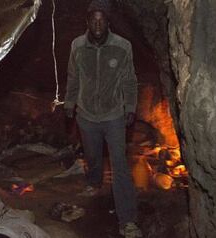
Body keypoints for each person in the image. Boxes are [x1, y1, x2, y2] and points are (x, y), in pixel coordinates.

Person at [64, 0, 142, 237]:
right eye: (93, 19)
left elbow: (129, 79)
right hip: (86, 115)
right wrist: (69, 103)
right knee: (92, 155)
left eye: (102, 20)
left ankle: (127, 220)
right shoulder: (77, 45)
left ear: (108, 22)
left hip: (113, 115)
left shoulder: (122, 46)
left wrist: (130, 106)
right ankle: (94, 182)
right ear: (87, 21)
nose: (98, 24)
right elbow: (73, 77)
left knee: (119, 166)